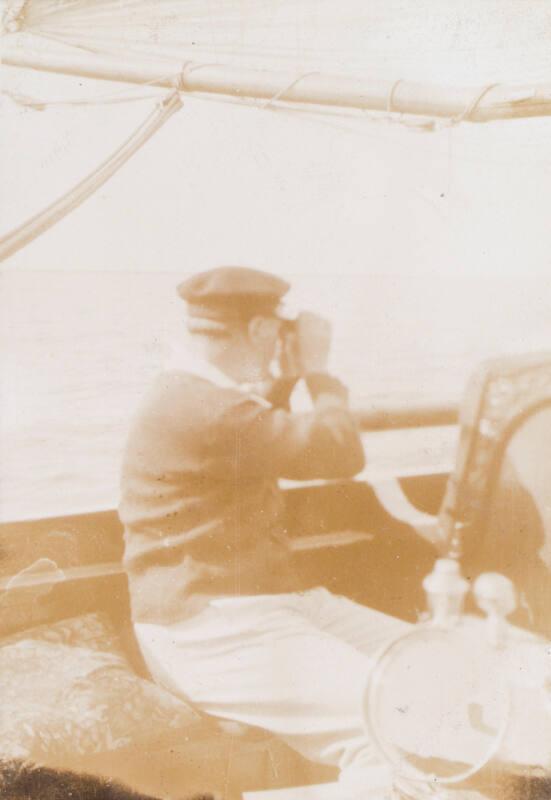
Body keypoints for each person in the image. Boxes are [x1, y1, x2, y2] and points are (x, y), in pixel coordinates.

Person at [119, 266, 409, 782]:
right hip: (210, 632)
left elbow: (250, 438)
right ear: (257, 331)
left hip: (254, 610)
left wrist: (286, 377)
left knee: (441, 663)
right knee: (393, 724)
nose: (280, 344)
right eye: (276, 333)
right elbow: (337, 452)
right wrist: (317, 372)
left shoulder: (193, 392)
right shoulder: (205, 405)